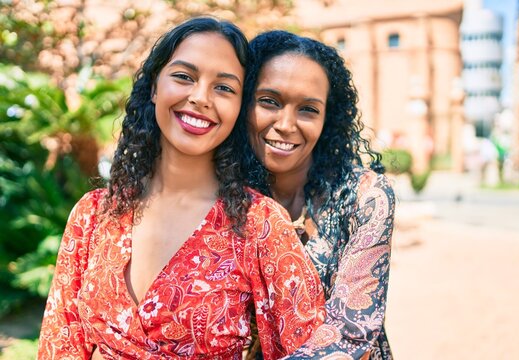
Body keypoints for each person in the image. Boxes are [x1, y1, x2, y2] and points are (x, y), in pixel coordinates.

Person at [37, 18, 325, 360]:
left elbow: (314, 348)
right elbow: (59, 345)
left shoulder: (259, 224)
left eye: (224, 88)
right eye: (184, 77)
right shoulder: (93, 214)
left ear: (239, 109)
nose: (201, 98)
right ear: (155, 86)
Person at [241, 31, 396, 359]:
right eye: (269, 101)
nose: (286, 124)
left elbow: (351, 333)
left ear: (328, 119)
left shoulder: (365, 197)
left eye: (308, 109)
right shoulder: (223, 193)